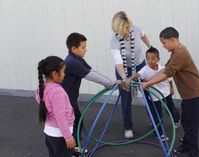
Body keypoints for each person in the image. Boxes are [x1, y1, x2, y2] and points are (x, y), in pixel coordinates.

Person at [142, 27, 199, 157]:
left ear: (173, 39)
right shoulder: (175, 53)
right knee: (186, 120)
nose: (164, 46)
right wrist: (147, 80)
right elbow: (165, 69)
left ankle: (194, 152)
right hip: (189, 94)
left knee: (192, 124)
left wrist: (148, 83)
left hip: (195, 93)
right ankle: (187, 145)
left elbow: (167, 74)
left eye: (164, 43)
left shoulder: (180, 53)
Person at [61, 32, 115, 156]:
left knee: (77, 119)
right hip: (66, 101)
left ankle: (74, 147)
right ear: (73, 49)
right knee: (72, 123)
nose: (86, 49)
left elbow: (92, 71)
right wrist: (110, 84)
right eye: (83, 47)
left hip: (70, 99)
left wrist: (111, 82)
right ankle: (71, 149)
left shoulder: (77, 59)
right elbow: (91, 76)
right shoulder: (72, 62)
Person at [109, 11, 152, 139]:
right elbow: (118, 62)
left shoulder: (136, 29)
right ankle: (128, 127)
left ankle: (154, 120)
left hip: (140, 66)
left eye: (129, 27)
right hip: (123, 69)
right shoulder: (114, 39)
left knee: (149, 93)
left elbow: (144, 36)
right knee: (126, 98)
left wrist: (150, 47)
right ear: (118, 28)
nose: (128, 30)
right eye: (125, 28)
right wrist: (124, 78)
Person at [126, 46, 181, 141]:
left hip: (166, 93)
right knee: (157, 115)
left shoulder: (163, 68)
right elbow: (138, 74)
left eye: (153, 58)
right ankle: (159, 133)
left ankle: (176, 119)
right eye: (147, 58)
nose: (150, 61)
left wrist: (172, 88)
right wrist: (130, 78)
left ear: (158, 59)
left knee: (171, 109)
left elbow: (170, 79)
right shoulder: (145, 69)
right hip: (155, 97)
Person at [36, 56, 76, 157]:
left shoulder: (41, 87)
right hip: (60, 135)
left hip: (49, 132)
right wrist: (68, 137)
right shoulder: (57, 92)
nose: (64, 74)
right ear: (54, 73)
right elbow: (60, 116)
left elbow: (41, 102)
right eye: (63, 72)